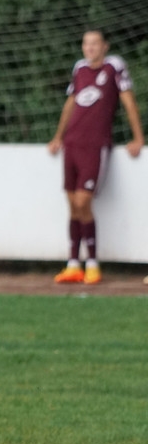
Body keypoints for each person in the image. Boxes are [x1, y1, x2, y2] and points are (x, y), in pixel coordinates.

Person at [47, 29, 143, 285]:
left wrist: (138, 137)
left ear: (104, 46)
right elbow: (71, 103)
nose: (89, 48)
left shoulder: (114, 67)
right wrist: (58, 136)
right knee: (72, 203)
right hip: (72, 143)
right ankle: (73, 264)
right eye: (86, 43)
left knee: (83, 201)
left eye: (94, 43)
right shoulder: (79, 69)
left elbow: (128, 101)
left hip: (95, 145)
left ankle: (92, 263)